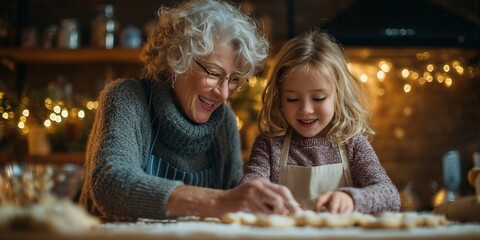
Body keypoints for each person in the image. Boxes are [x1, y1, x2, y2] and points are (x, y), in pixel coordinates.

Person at [80, 0, 300, 221]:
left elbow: (237, 203)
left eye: (234, 79)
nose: (224, 93)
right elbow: (110, 184)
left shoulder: (224, 124)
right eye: (214, 73)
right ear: (176, 60)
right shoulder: (128, 98)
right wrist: (219, 201)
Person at [241, 30, 401, 214]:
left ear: (338, 96)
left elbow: (390, 196)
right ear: (279, 99)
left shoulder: (353, 145)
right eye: (292, 99)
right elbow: (250, 187)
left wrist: (351, 199)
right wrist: (264, 198)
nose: (306, 110)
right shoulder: (269, 145)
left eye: (318, 98)